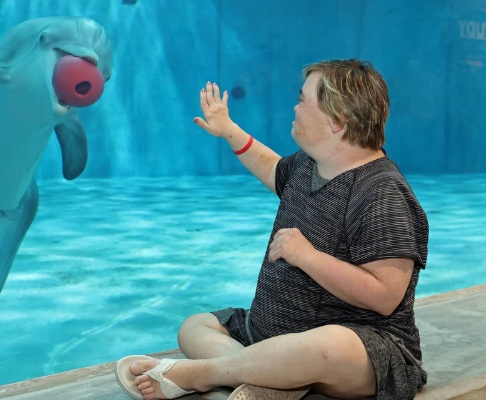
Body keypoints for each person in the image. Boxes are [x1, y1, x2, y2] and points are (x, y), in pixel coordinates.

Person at [115, 59, 429, 400]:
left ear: (337, 121)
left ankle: (206, 374)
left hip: (361, 352)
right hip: (266, 333)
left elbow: (385, 296)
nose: (294, 107)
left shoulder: (381, 192)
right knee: (194, 326)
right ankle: (265, 377)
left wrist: (308, 257)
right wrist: (228, 129)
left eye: (303, 99)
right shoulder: (309, 165)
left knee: (328, 346)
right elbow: (271, 169)